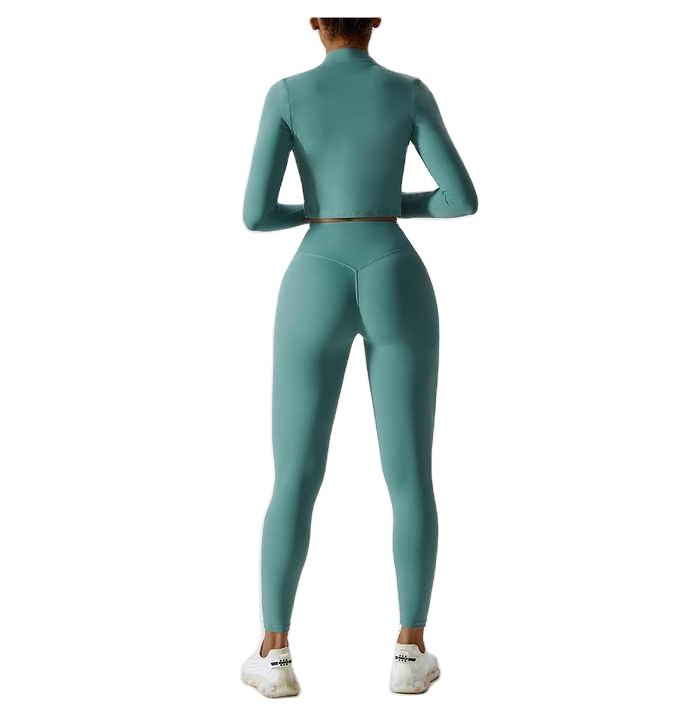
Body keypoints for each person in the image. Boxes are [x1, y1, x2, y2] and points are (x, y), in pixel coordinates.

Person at [240, 17, 478, 697]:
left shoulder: (287, 93)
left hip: (315, 272)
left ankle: (275, 655)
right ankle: (410, 651)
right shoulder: (408, 91)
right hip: (395, 270)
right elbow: (460, 200)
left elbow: (255, 215)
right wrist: (379, 204)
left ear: (315, 22)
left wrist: (325, 208)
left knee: (294, 476)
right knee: (410, 476)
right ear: (374, 20)